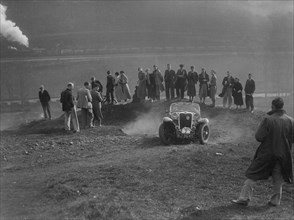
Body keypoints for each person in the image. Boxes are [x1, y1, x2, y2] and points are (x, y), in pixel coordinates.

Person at [232, 97, 294, 206]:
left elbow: (259, 137)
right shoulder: (290, 120)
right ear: (282, 106)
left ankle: (244, 198)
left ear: (273, 106)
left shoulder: (268, 119)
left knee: (252, 174)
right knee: (277, 178)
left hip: (267, 153)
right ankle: (275, 201)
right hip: (283, 154)